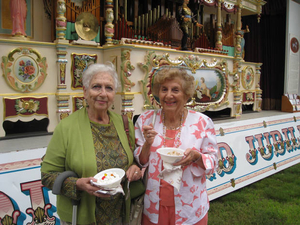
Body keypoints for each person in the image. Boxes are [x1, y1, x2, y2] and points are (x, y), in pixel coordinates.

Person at [41, 63, 142, 225]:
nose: (103, 93)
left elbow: (134, 159)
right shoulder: (66, 128)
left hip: (121, 215)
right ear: (85, 92)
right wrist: (78, 184)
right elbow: (47, 175)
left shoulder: (124, 123)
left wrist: (136, 168)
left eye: (109, 88)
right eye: (96, 87)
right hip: (83, 216)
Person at [134, 68, 218, 225]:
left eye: (175, 90)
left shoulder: (202, 122)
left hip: (189, 205)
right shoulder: (146, 120)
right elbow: (141, 161)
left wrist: (197, 157)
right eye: (164, 89)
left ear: (186, 95)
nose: (168, 95)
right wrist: (147, 144)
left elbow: (213, 162)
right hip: (155, 204)